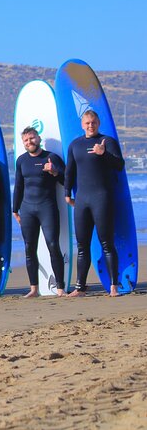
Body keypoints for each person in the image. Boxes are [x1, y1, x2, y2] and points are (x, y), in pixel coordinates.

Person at [65, 110, 125, 297]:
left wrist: (103, 153)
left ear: (98, 123)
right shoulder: (75, 144)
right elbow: (69, 171)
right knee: (82, 245)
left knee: (106, 243)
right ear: (82, 124)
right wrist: (67, 193)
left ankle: (114, 286)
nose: (90, 126)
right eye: (87, 123)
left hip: (102, 198)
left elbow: (119, 165)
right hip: (82, 199)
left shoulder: (108, 142)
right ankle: (80, 287)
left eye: (93, 122)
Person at [13, 127, 66, 297]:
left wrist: (55, 171)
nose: (30, 142)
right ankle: (34, 288)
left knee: (53, 245)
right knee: (29, 248)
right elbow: (19, 186)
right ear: (23, 143)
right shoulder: (21, 160)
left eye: (32, 138)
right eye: (26, 140)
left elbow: (67, 181)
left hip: (47, 207)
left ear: (38, 138)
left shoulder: (52, 157)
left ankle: (60, 288)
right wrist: (15, 209)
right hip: (27, 209)